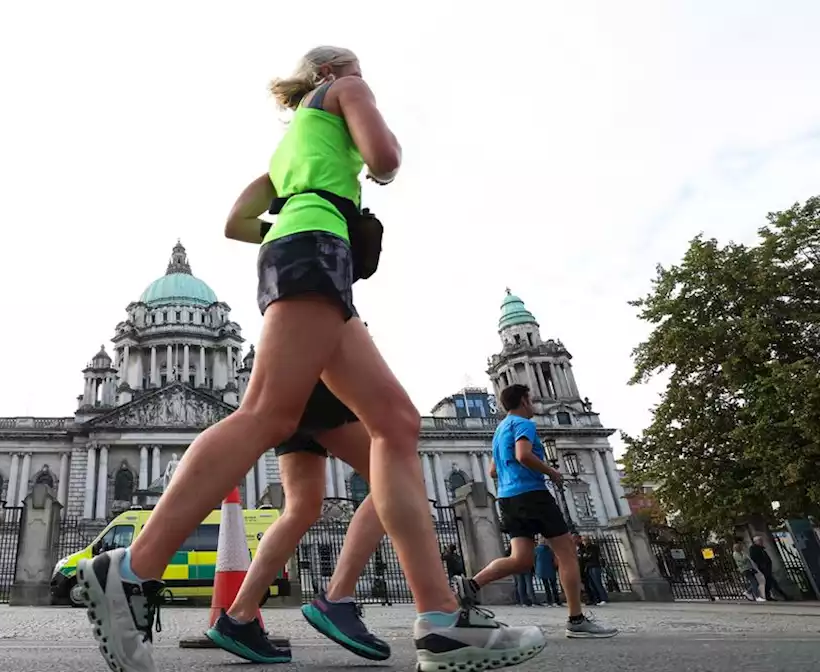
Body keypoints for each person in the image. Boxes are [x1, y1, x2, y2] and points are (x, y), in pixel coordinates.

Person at [76, 46, 546, 672]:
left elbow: (236, 221)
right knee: (268, 413)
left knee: (398, 427)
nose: (361, 73)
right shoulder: (348, 91)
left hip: (301, 246)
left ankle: (439, 622)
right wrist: (360, 141)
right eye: (352, 65)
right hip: (316, 249)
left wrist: (294, 212)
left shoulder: (288, 149)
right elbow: (386, 161)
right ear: (330, 73)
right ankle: (132, 569)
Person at [206, 383, 390, 663]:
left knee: (301, 508)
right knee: (393, 478)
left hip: (289, 396)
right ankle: (339, 598)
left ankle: (239, 617)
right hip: (325, 389)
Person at [455, 383, 617, 639]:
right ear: (523, 401)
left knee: (521, 559)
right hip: (533, 495)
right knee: (567, 554)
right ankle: (576, 619)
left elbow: (492, 471)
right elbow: (523, 455)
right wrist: (551, 471)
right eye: (530, 399)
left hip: (508, 498)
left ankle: (471, 583)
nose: (532, 404)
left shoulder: (499, 431)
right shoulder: (524, 425)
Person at [575, 535, 608, 605]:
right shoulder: (584, 548)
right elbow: (583, 557)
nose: (583, 542)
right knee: (592, 584)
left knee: (597, 583)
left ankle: (603, 598)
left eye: (585, 540)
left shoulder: (593, 547)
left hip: (595, 566)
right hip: (588, 567)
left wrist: (584, 556)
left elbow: (590, 556)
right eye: (583, 540)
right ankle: (597, 599)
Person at [534, 537, 562, 607]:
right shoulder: (551, 550)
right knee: (554, 586)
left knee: (546, 586)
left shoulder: (536, 550)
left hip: (542, 570)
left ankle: (549, 601)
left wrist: (536, 569)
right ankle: (557, 600)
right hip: (551, 568)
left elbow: (534, 560)